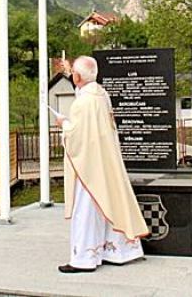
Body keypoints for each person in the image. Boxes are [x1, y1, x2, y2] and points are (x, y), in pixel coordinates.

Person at [55, 56, 149, 273]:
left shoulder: (82, 103)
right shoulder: (101, 94)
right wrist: (72, 73)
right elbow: (84, 97)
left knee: (85, 210)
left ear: (78, 77)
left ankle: (84, 259)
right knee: (109, 204)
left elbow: (75, 135)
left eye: (74, 74)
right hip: (106, 161)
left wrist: (63, 123)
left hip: (89, 165)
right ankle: (115, 251)